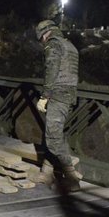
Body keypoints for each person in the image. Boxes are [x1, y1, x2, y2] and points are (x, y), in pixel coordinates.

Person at [34, 19, 82, 192]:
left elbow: (52, 70)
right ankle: (46, 172)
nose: (42, 42)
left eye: (41, 39)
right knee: (53, 133)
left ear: (45, 33)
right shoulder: (70, 46)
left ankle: (71, 177)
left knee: (53, 136)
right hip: (70, 96)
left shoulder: (53, 45)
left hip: (58, 95)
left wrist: (45, 96)